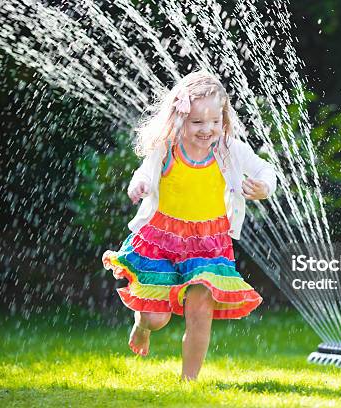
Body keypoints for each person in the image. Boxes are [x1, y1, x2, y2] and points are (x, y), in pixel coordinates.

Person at [102, 70, 277, 380]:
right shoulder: (166, 148)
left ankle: (189, 382)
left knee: (200, 311)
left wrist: (264, 186)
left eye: (214, 121)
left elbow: (265, 169)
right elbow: (144, 172)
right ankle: (142, 326)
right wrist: (138, 185)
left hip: (207, 243)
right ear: (180, 118)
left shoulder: (228, 149)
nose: (207, 129)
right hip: (162, 240)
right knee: (156, 318)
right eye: (197, 122)